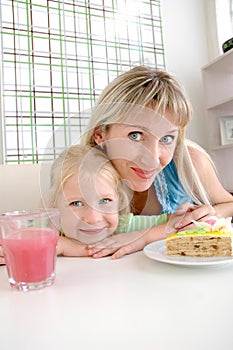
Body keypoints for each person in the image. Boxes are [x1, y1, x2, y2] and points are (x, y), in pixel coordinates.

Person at [80, 65, 233, 259]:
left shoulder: (190, 161)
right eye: (135, 135)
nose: (152, 157)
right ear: (101, 135)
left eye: (167, 139)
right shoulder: (82, 173)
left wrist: (210, 213)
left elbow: (229, 204)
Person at [46, 144, 169, 257]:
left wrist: (144, 238)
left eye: (105, 201)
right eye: (76, 203)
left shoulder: (124, 226)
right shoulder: (44, 230)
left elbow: (182, 225)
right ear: (54, 207)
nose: (94, 219)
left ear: (119, 201)